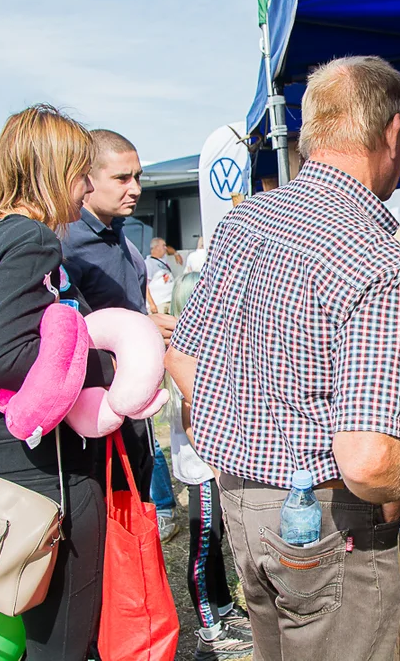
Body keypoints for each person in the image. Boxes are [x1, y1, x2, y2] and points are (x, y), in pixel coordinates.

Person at [165, 55, 400, 661]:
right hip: (326, 526)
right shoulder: (377, 258)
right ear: (392, 133)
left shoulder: (244, 221)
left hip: (244, 507)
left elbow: (183, 360)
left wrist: (239, 444)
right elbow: (367, 461)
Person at [0, 105, 117, 660]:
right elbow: (3, 356)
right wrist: (98, 366)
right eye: (82, 171)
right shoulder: (30, 240)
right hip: (39, 475)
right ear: (54, 171)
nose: (87, 185)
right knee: (61, 637)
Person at [59, 129, 177, 541]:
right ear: (87, 180)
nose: (136, 188)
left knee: (135, 503)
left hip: (133, 404)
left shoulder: (122, 237)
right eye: (123, 178)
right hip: (93, 410)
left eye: (139, 176)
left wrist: (151, 325)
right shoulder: (66, 244)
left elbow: (130, 313)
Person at [167, 272, 253, 660]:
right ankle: (209, 631)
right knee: (203, 547)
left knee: (214, 542)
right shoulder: (187, 354)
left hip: (209, 465)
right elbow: (192, 418)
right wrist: (218, 466)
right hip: (203, 468)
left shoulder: (195, 346)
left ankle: (222, 606)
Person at [145, 237, 176, 313]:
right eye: (163, 245)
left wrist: (176, 254)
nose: (166, 248)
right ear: (156, 247)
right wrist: (152, 304)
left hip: (169, 301)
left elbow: (170, 250)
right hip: (159, 303)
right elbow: (145, 285)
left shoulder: (163, 260)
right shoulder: (148, 263)